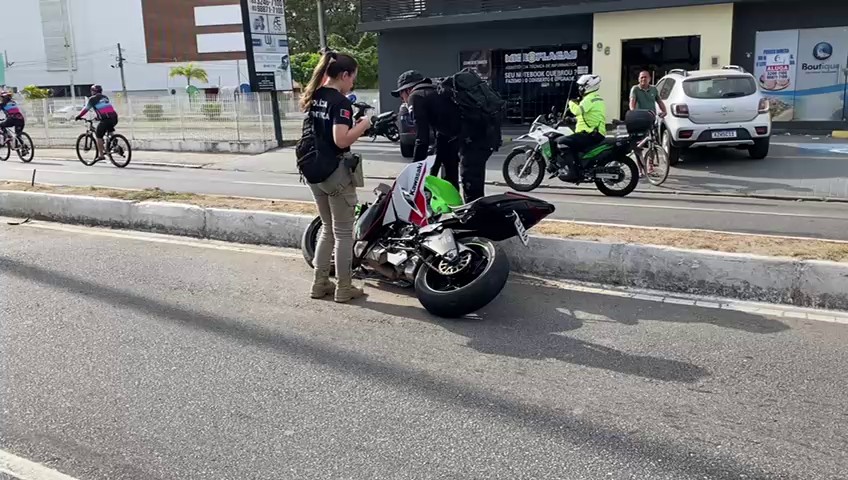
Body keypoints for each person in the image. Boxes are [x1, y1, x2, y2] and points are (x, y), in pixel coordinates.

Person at [299, 51, 371, 303]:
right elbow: (340, 140)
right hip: (335, 173)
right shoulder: (340, 102)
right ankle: (344, 287)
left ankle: (319, 283)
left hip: (312, 171)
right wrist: (363, 125)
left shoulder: (315, 95)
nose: (353, 83)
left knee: (327, 228)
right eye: (353, 78)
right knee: (342, 233)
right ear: (344, 75)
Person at [392, 70, 497, 203]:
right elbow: (443, 136)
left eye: (401, 95)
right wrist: (433, 167)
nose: (403, 100)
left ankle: (476, 217)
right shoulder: (435, 91)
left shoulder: (416, 96)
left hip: (476, 138)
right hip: (476, 134)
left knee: (470, 179)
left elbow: (421, 138)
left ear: (407, 90)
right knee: (450, 173)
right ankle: (458, 210)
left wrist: (415, 168)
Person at [555, 74, 607, 179]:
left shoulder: (590, 99)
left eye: (581, 86)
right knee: (571, 141)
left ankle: (573, 172)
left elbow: (578, 111)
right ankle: (580, 166)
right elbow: (587, 117)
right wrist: (571, 120)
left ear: (588, 86)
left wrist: (571, 103)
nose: (580, 88)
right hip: (594, 133)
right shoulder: (595, 98)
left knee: (562, 142)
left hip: (590, 134)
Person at [75, 85, 119, 162]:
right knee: (109, 128)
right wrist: (98, 117)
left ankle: (101, 155)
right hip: (114, 118)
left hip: (106, 119)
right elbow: (105, 109)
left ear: (93, 91)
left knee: (99, 136)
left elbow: (86, 109)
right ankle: (115, 143)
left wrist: (78, 116)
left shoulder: (92, 99)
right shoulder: (105, 97)